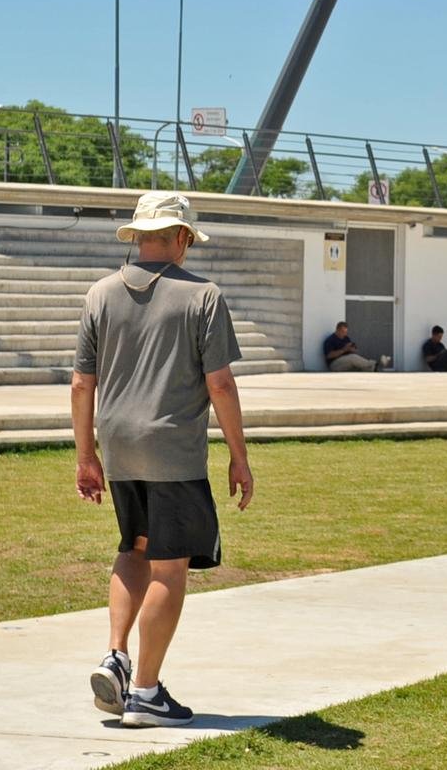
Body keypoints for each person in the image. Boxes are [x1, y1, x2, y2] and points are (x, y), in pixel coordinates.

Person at [74, 191, 254, 728]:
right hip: (173, 448)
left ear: (138, 235)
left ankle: (117, 655)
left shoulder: (99, 294)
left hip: (120, 444)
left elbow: (83, 382)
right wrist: (239, 457)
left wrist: (87, 455)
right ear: (180, 237)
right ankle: (147, 693)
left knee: (135, 547)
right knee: (170, 566)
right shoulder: (203, 296)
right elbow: (219, 382)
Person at [321, 321, 391, 373]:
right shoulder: (330, 340)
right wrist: (344, 350)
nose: (345, 334)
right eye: (343, 332)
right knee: (352, 357)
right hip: (334, 365)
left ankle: (377, 368)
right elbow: (329, 355)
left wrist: (352, 349)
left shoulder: (346, 338)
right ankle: (377, 363)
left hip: (347, 363)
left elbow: (353, 350)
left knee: (362, 367)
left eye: (346, 332)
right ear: (337, 330)